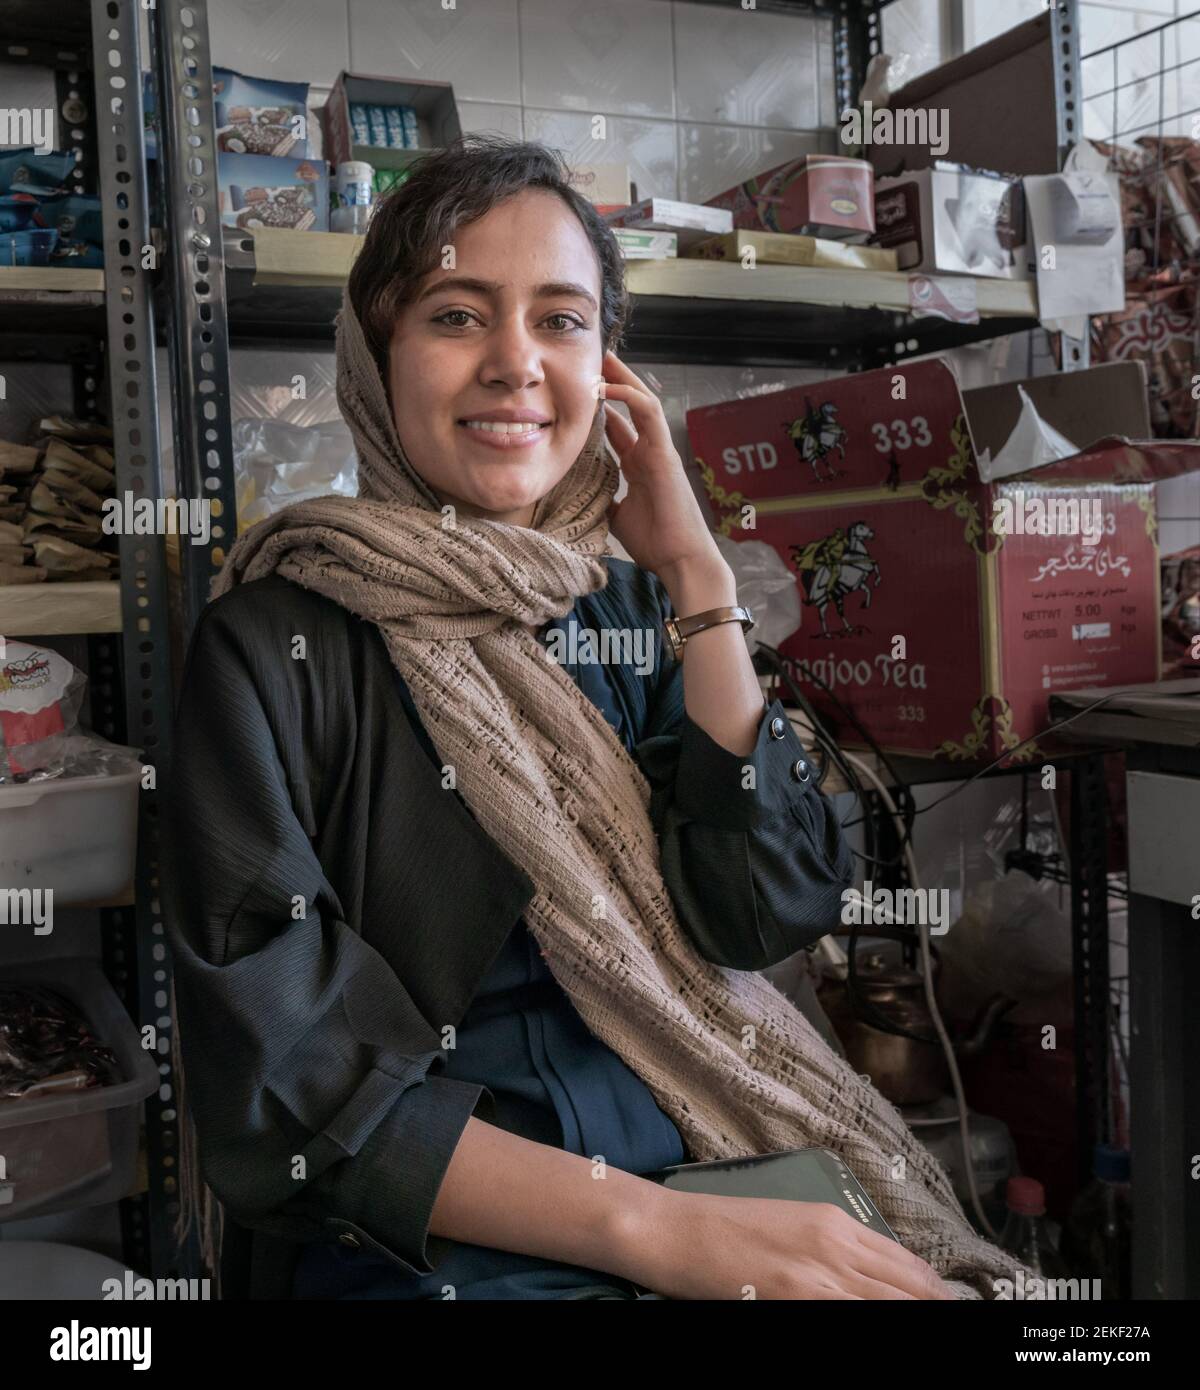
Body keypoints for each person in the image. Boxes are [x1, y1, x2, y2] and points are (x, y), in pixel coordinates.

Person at [161, 136, 1016, 1301]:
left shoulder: (629, 614)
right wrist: (661, 1235)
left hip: (711, 1156)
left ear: (611, 371)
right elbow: (295, 1085)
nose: (516, 364)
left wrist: (699, 582)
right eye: (457, 316)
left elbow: (759, 914)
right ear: (375, 355)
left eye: (560, 321)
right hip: (430, 1247)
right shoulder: (272, 645)